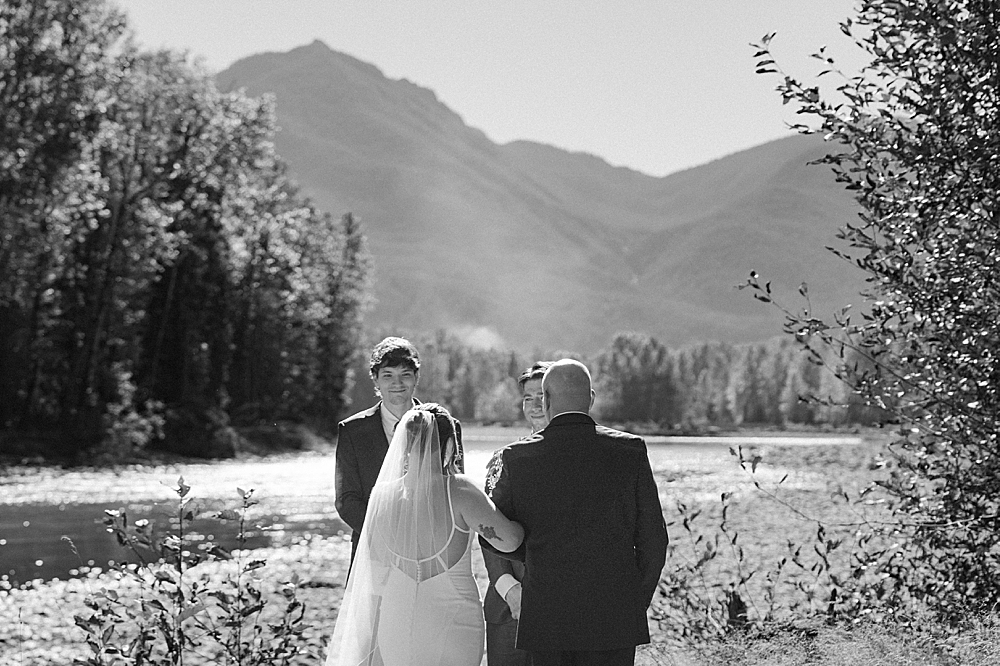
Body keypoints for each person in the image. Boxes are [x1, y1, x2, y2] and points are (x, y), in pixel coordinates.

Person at [482, 359, 668, 666]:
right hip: (614, 619)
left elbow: (493, 535)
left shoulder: (517, 458)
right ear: (591, 399)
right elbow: (654, 540)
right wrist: (634, 601)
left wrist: (535, 556)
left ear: (547, 400)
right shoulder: (631, 451)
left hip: (546, 619)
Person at [325, 404, 524, 666]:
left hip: (396, 622)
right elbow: (510, 542)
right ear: (451, 444)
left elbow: (374, 574)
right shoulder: (461, 491)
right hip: (454, 623)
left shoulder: (381, 497)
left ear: (404, 445)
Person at [335, 336, 465, 567]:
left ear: (416, 377)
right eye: (388, 375)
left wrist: (424, 540)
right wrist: (390, 538)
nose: (398, 383)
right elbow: (347, 500)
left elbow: (454, 487)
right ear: (375, 379)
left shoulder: (446, 425)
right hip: (373, 550)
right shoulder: (352, 431)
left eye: (405, 374)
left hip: (432, 551)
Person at [483, 361, 551, 666]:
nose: (535, 406)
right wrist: (510, 590)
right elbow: (487, 526)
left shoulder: (583, 458)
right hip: (509, 605)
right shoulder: (504, 457)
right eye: (528, 398)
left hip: (563, 606)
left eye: (543, 396)